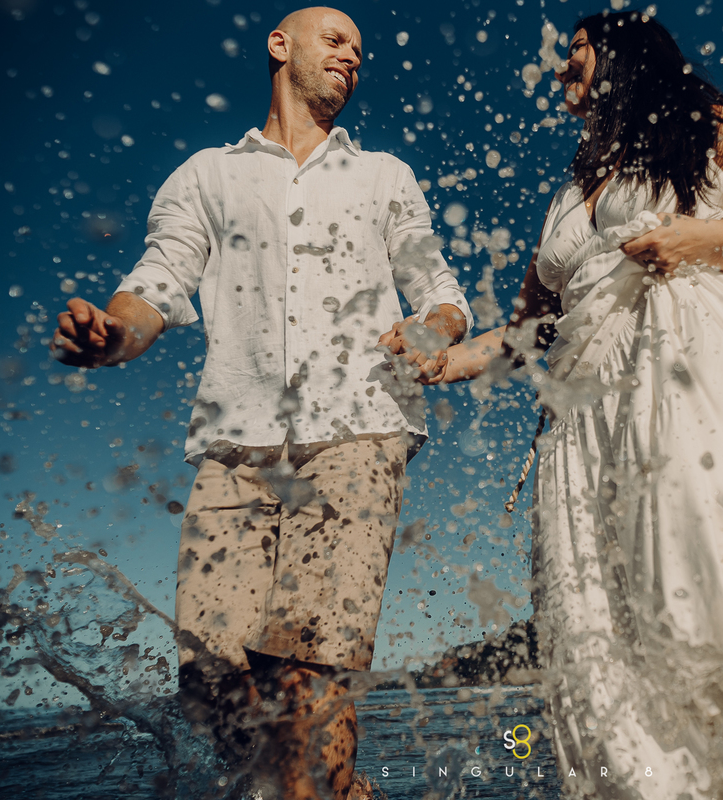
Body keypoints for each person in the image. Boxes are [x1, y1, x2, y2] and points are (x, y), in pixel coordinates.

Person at [422, 9, 723, 799]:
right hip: (582, 414)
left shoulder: (709, 126)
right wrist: (438, 363)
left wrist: (693, 239)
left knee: (709, 584)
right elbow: (527, 332)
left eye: (575, 50)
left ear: (623, 56)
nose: (560, 67)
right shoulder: (568, 192)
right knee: (598, 636)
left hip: (688, 372)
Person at [50, 7, 472, 799]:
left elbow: (440, 290)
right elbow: (158, 281)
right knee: (214, 684)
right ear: (280, 46)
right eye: (335, 40)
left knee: (307, 668)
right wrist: (113, 336)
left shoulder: (385, 175)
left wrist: (432, 329)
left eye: (360, 50)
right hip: (235, 449)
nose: (351, 56)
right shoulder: (206, 174)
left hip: (358, 433)